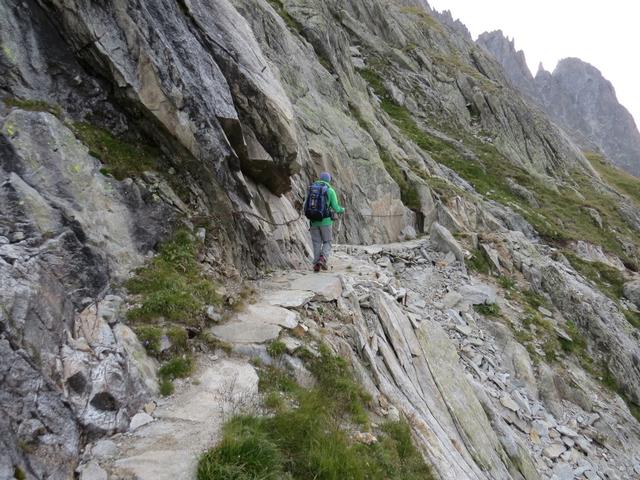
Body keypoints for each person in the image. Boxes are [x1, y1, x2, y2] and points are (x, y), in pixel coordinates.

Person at [305, 172, 345, 272]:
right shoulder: (330, 190)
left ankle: (316, 264)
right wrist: (342, 210)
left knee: (316, 242)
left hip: (313, 221)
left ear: (320, 178)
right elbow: (335, 207)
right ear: (329, 180)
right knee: (327, 241)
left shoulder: (312, 189)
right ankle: (322, 259)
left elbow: (306, 205)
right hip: (325, 221)